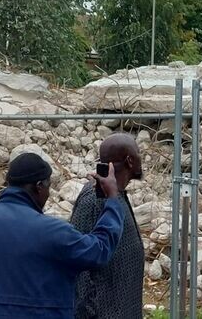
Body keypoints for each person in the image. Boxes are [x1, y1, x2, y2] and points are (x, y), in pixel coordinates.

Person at [0, 152, 124, 319]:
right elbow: (99, 250)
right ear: (39, 187)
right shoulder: (53, 232)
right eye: (48, 187)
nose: (49, 195)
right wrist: (113, 200)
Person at [69, 133, 145, 319]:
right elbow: (80, 266)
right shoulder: (95, 199)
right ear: (129, 160)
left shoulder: (115, 195)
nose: (140, 158)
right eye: (138, 153)